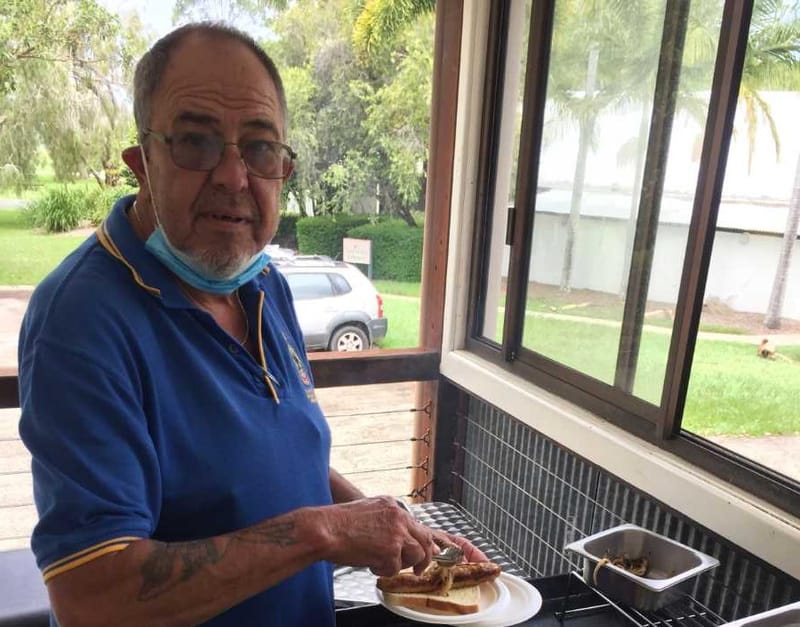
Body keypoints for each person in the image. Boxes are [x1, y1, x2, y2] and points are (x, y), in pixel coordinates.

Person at [18, 22, 485, 627]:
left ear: (283, 169)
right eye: (195, 141)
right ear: (142, 162)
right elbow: (93, 599)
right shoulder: (80, 322)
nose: (234, 178)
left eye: (261, 148)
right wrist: (321, 531)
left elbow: (285, 454)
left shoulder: (264, 284)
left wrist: (380, 521)